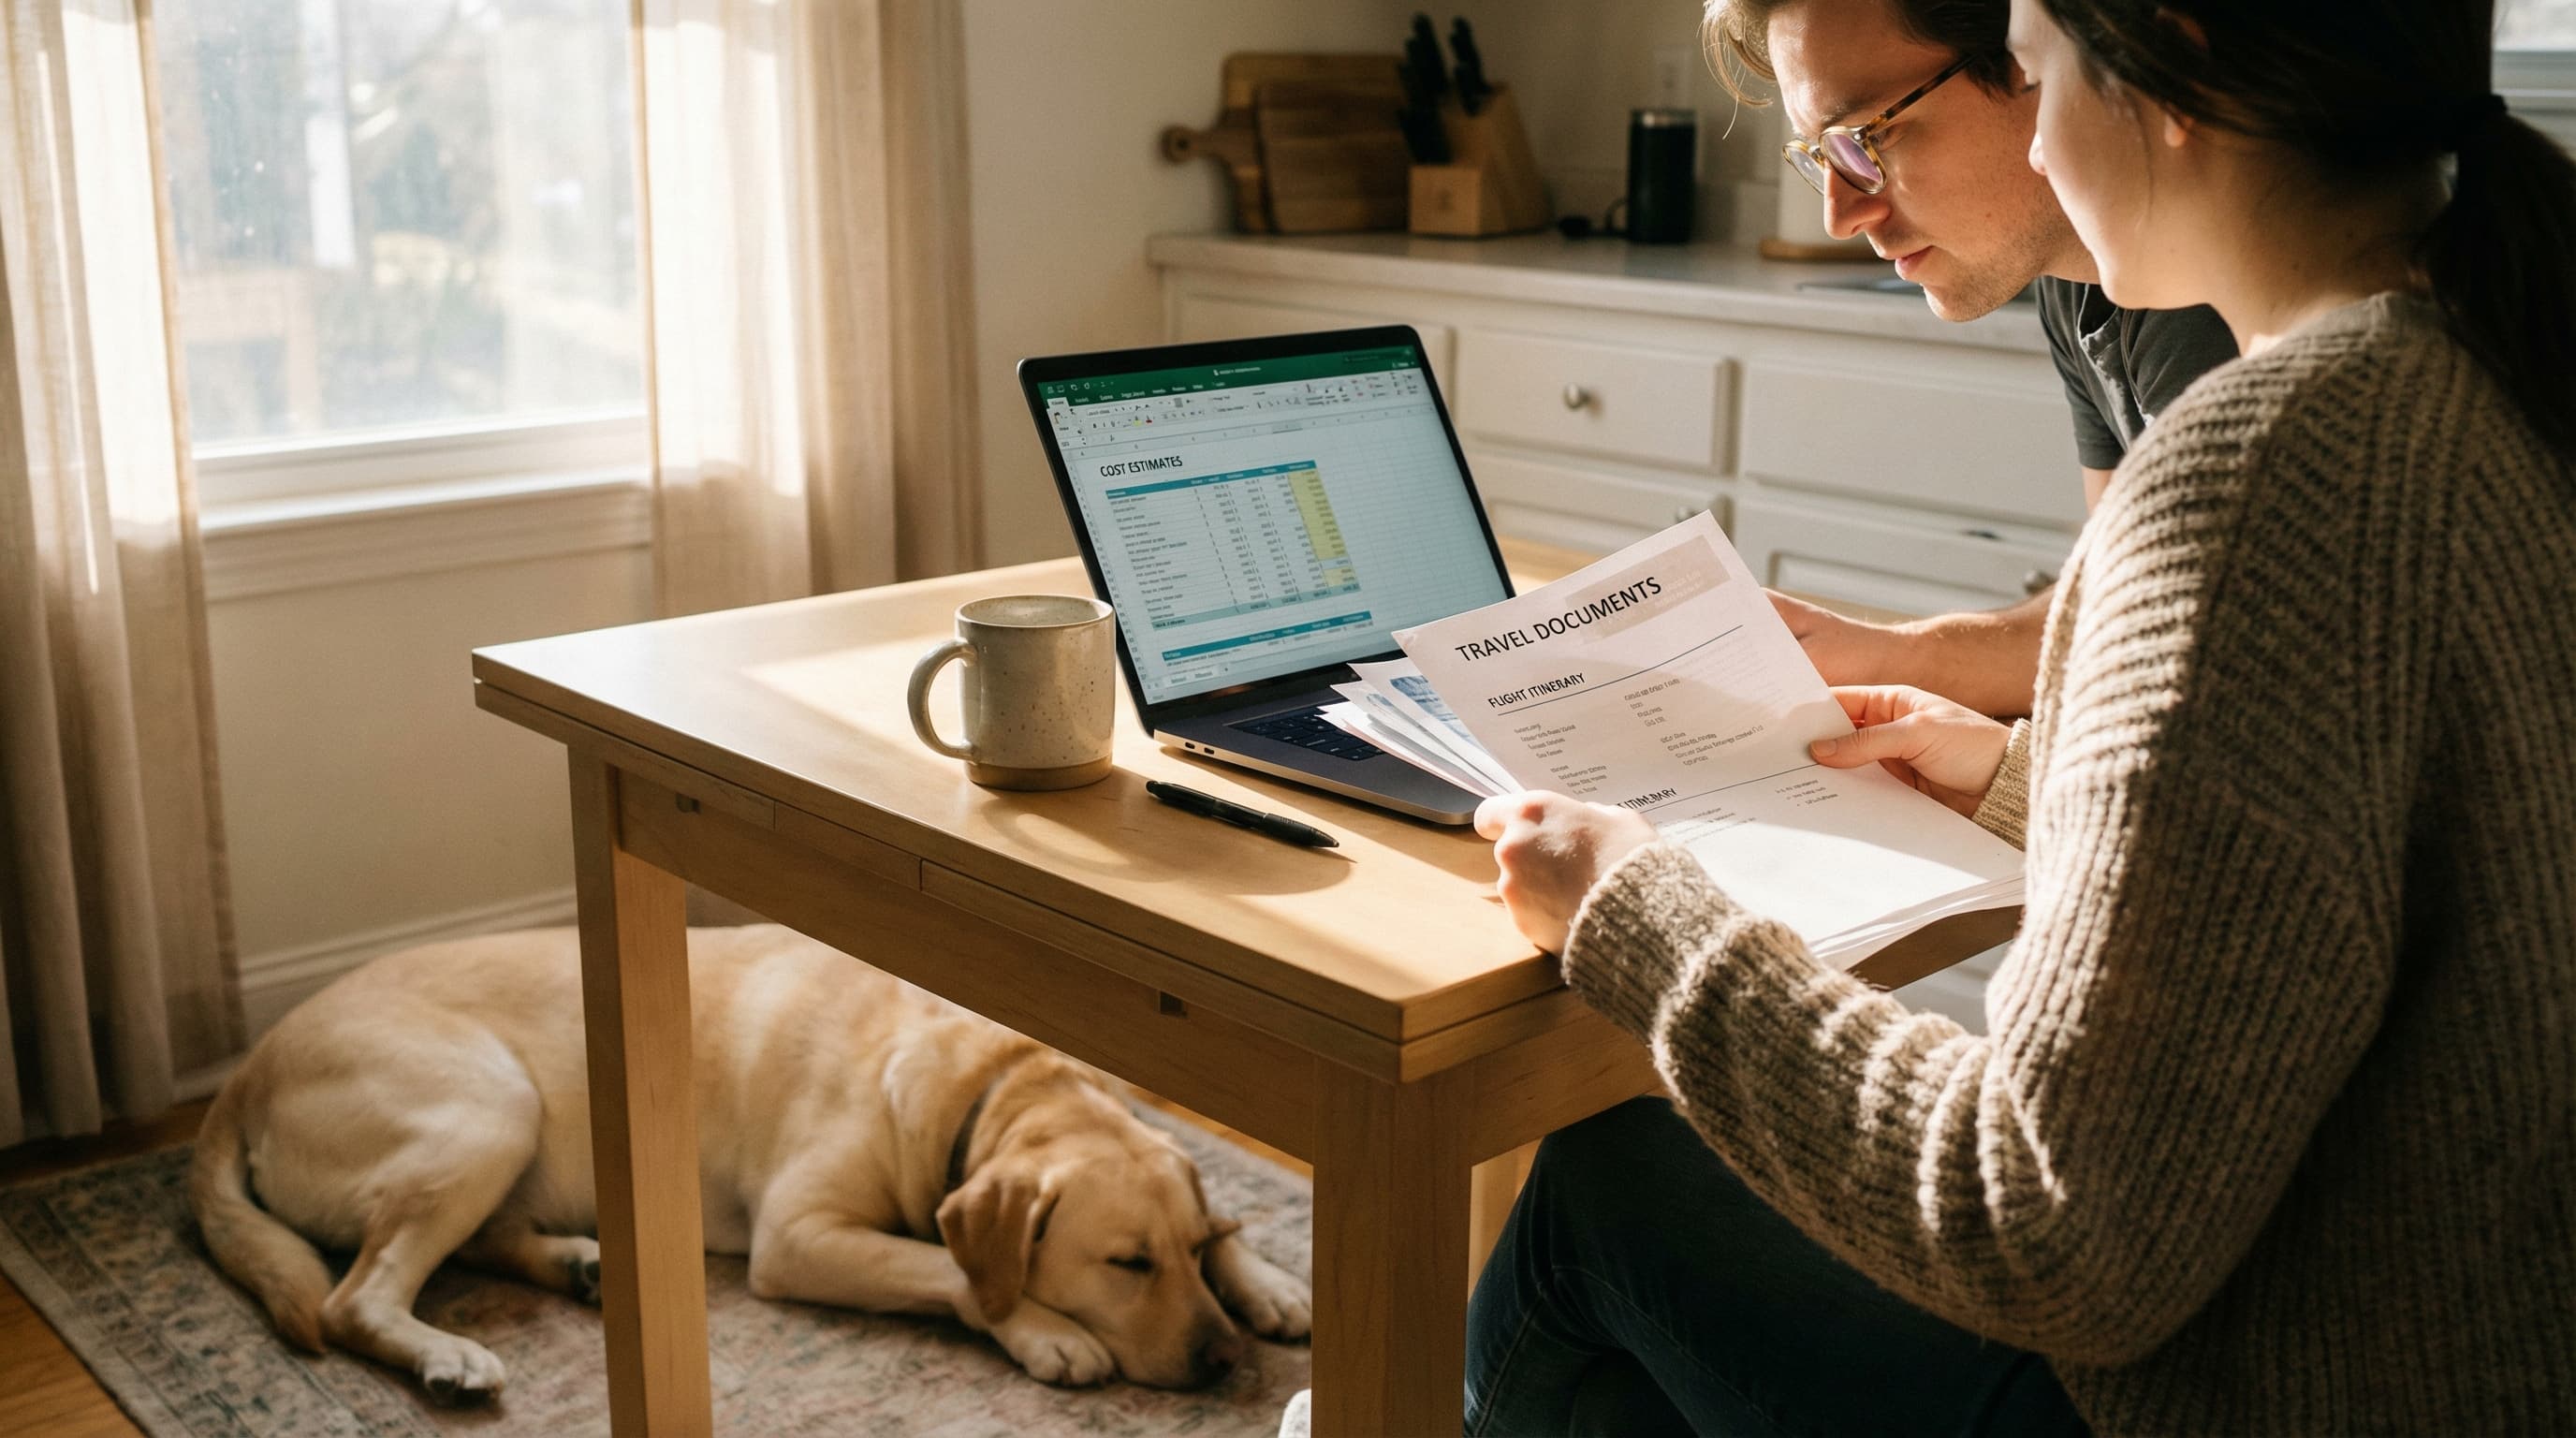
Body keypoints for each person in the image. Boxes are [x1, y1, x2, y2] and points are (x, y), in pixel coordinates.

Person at [1467, 0, 2576, 1430]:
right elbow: (2375, 868)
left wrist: (1641, 911)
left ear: (2170, 62)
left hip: (2288, 1382)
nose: (2045, 134)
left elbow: (2041, 1232)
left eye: (2040, 71)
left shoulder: (2271, 466)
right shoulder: (2497, 348)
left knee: (1602, 1194)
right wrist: (2011, 779)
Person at [1726, 0, 2236, 718]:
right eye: (1824, 155)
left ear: (2043, 64)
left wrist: (2000, 775)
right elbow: (2120, 604)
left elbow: (2210, 697)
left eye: (1871, 137)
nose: (1839, 216)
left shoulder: (2226, 311)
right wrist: (1890, 656)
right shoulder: (2078, 276)